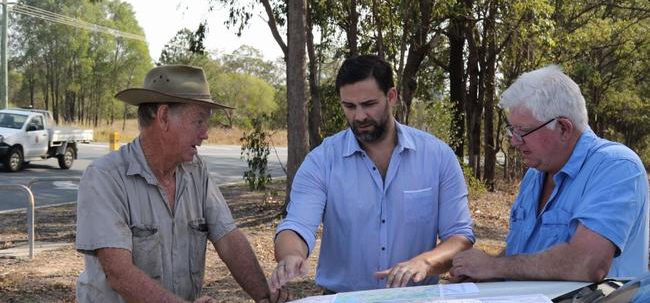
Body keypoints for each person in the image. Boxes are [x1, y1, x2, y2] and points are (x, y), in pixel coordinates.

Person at [75, 65, 288, 303]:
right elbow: (119, 274)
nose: (206, 133)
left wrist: (265, 295)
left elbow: (228, 239)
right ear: (164, 117)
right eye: (198, 121)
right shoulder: (105, 178)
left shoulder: (197, 172)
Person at [270, 54, 474, 294]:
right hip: (343, 299)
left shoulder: (438, 157)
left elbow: (460, 237)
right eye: (349, 106)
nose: (359, 116)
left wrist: (425, 262)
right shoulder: (322, 160)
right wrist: (291, 255)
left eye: (368, 104)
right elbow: (296, 225)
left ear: (391, 97)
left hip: (417, 298)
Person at [450, 65, 649, 282]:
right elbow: (526, 257)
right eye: (512, 130)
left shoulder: (616, 166)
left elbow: (587, 264)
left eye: (523, 131)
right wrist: (483, 276)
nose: (515, 141)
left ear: (563, 128)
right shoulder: (536, 174)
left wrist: (493, 266)